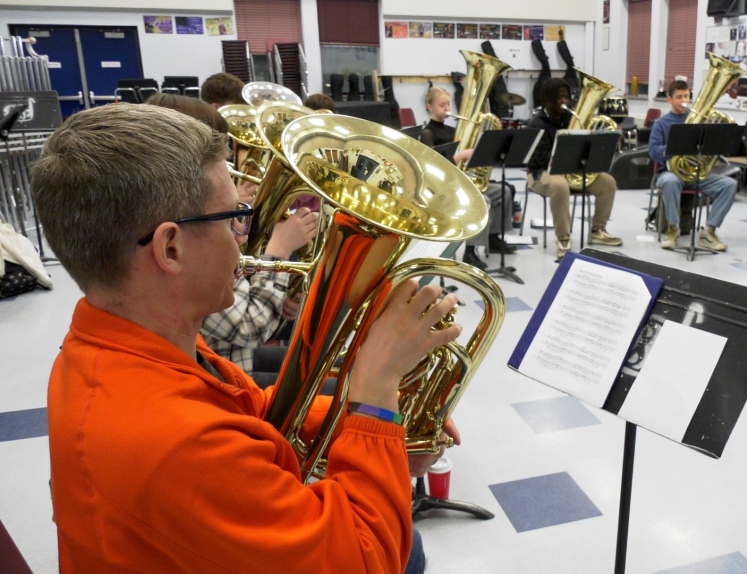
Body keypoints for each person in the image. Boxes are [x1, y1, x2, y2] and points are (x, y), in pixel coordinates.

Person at [31, 104, 457, 572]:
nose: (243, 238)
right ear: (170, 248)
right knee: (409, 551)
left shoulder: (125, 339)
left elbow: (252, 412)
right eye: (233, 217)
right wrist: (376, 390)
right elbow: (366, 560)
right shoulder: (178, 444)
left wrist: (392, 429)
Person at [146, 93, 319, 373]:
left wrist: (281, 293)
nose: (228, 162)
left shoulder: (198, 224)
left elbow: (239, 286)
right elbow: (250, 325)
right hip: (228, 366)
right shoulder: (189, 236)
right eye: (219, 155)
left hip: (234, 357)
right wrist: (278, 253)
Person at [526, 78, 623, 260]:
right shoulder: (537, 124)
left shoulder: (572, 119)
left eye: (566, 96)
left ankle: (597, 230)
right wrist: (564, 153)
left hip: (573, 170)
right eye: (559, 97)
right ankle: (563, 238)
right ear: (548, 98)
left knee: (608, 182)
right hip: (541, 174)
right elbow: (539, 157)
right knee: (561, 186)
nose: (564, 100)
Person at [421, 86, 516, 270]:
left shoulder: (454, 130)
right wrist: (459, 156)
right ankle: (470, 252)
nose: (447, 108)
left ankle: (494, 238)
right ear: (430, 106)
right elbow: (432, 168)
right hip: (446, 188)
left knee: (503, 191)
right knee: (484, 201)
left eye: (448, 104)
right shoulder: (427, 133)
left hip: (465, 181)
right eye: (442, 105)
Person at [647, 79, 738, 251]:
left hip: (697, 174)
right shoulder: (661, 123)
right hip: (671, 172)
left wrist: (723, 135)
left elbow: (713, 150)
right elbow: (653, 152)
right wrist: (676, 147)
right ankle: (673, 229)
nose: (683, 100)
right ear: (669, 99)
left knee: (729, 185)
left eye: (686, 96)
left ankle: (709, 231)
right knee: (670, 182)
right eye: (679, 97)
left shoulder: (701, 120)